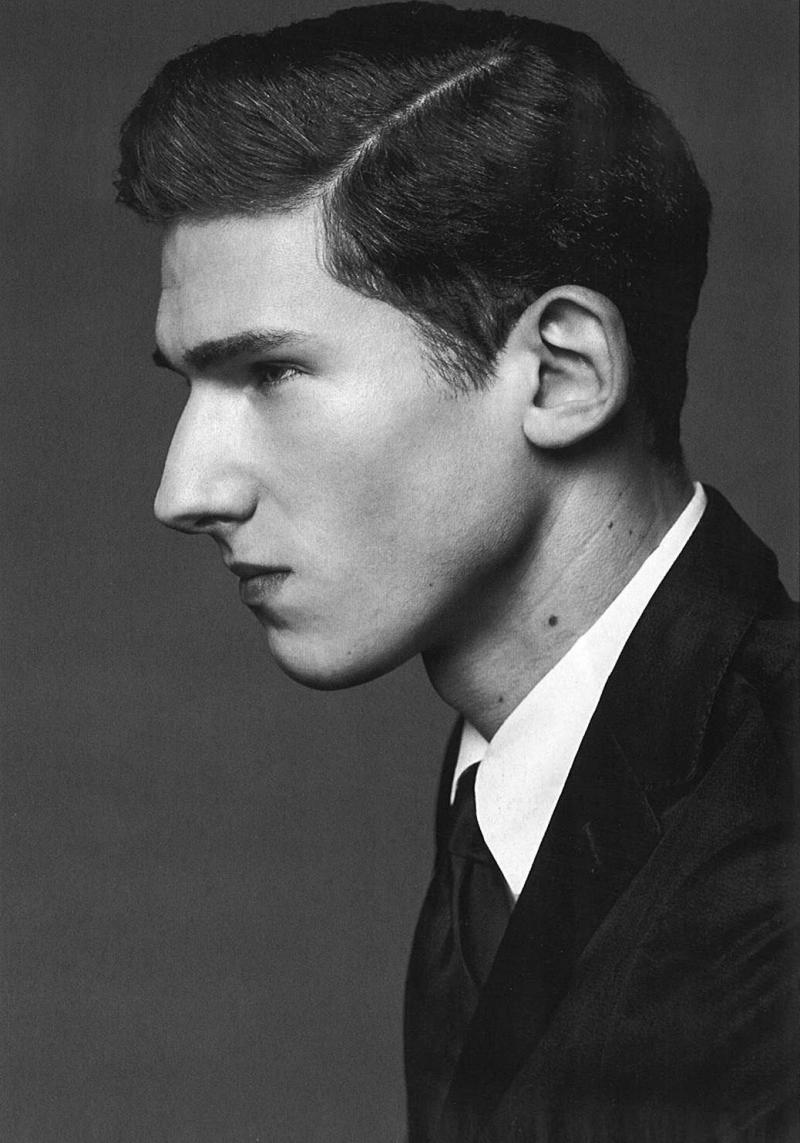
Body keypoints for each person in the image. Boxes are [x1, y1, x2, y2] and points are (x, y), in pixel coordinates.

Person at [115, 3, 798, 1139]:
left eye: (271, 373)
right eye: (190, 385)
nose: (184, 489)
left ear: (561, 374)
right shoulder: (513, 795)